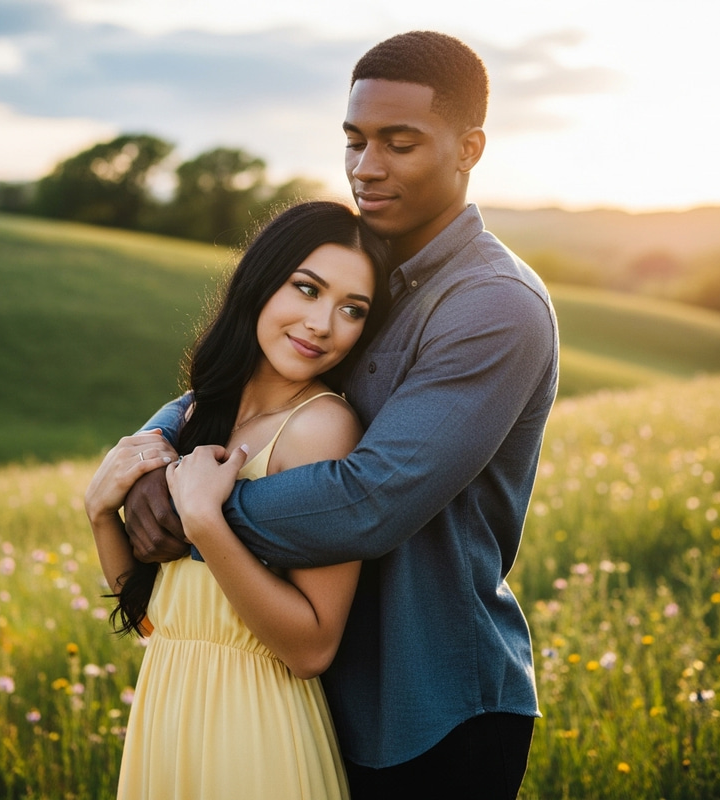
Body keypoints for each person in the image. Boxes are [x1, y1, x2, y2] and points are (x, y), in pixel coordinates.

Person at [125, 31, 559, 799]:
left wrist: (199, 511)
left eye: (399, 143)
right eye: (354, 141)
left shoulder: (494, 306)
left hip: (431, 708)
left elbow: (370, 498)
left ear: (469, 149)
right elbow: (244, 379)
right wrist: (154, 451)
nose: (367, 167)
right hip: (308, 698)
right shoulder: (357, 274)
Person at [85, 200, 390, 800]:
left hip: (256, 734)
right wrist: (99, 514)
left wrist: (205, 522)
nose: (323, 324)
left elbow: (312, 648)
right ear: (260, 280)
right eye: (307, 289)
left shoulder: (319, 428)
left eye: (352, 309)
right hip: (166, 714)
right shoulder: (199, 414)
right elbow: (156, 623)